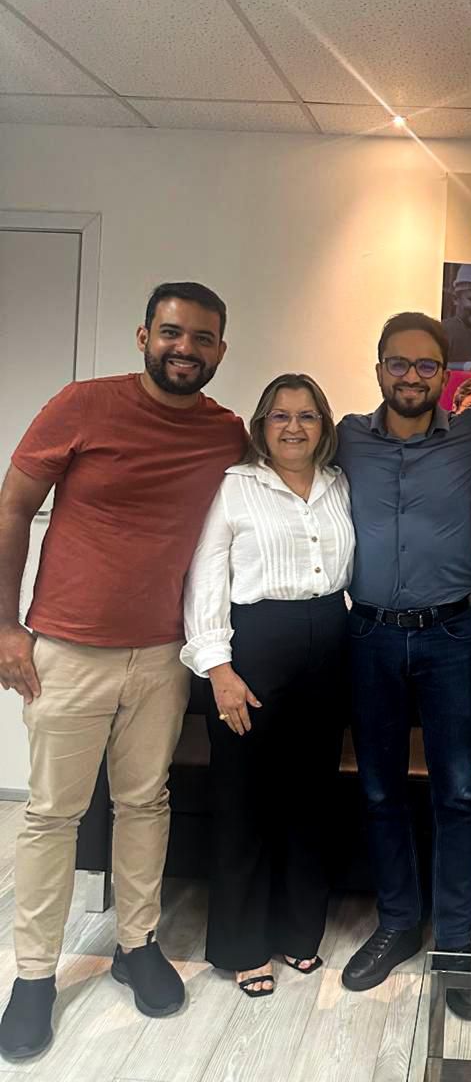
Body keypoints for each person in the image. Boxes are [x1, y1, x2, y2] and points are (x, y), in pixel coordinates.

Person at [0, 282, 246, 1061]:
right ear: (144, 336)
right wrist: (5, 625)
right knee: (52, 815)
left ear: (220, 349)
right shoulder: (83, 405)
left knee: (145, 802)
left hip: (164, 654)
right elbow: (13, 508)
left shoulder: (225, 433)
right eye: (172, 333)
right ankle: (33, 976)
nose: (185, 349)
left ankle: (137, 946)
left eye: (202, 338)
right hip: (69, 649)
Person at [335, 313, 471, 1020]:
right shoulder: (345, 438)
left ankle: (455, 943)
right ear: (378, 369)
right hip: (369, 634)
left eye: (426, 365)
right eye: (398, 363)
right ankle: (398, 923)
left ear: (444, 375)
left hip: (450, 635)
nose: (411, 376)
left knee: (457, 792)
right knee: (379, 789)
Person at [181, 373, 354, 999]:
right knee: (244, 799)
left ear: (323, 426)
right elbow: (205, 578)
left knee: (310, 797)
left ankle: (297, 930)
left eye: (307, 416)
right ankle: (243, 945)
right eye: (280, 416)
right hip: (254, 646)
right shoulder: (236, 487)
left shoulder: (339, 485)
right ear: (261, 426)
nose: (293, 427)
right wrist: (218, 669)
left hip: (329, 640)